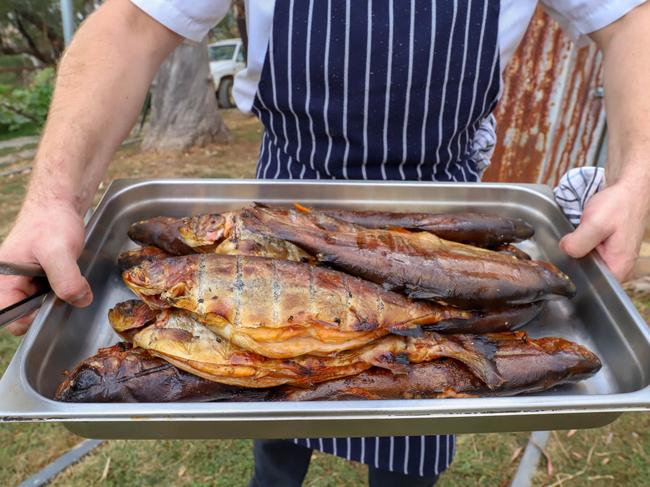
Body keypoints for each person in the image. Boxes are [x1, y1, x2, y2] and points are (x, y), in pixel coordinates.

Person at [1, 1, 649, 485]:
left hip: (435, 217)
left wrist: (637, 172)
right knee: (273, 419)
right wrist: (52, 195)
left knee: (412, 428)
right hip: (283, 213)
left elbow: (630, 22)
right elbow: (131, 24)